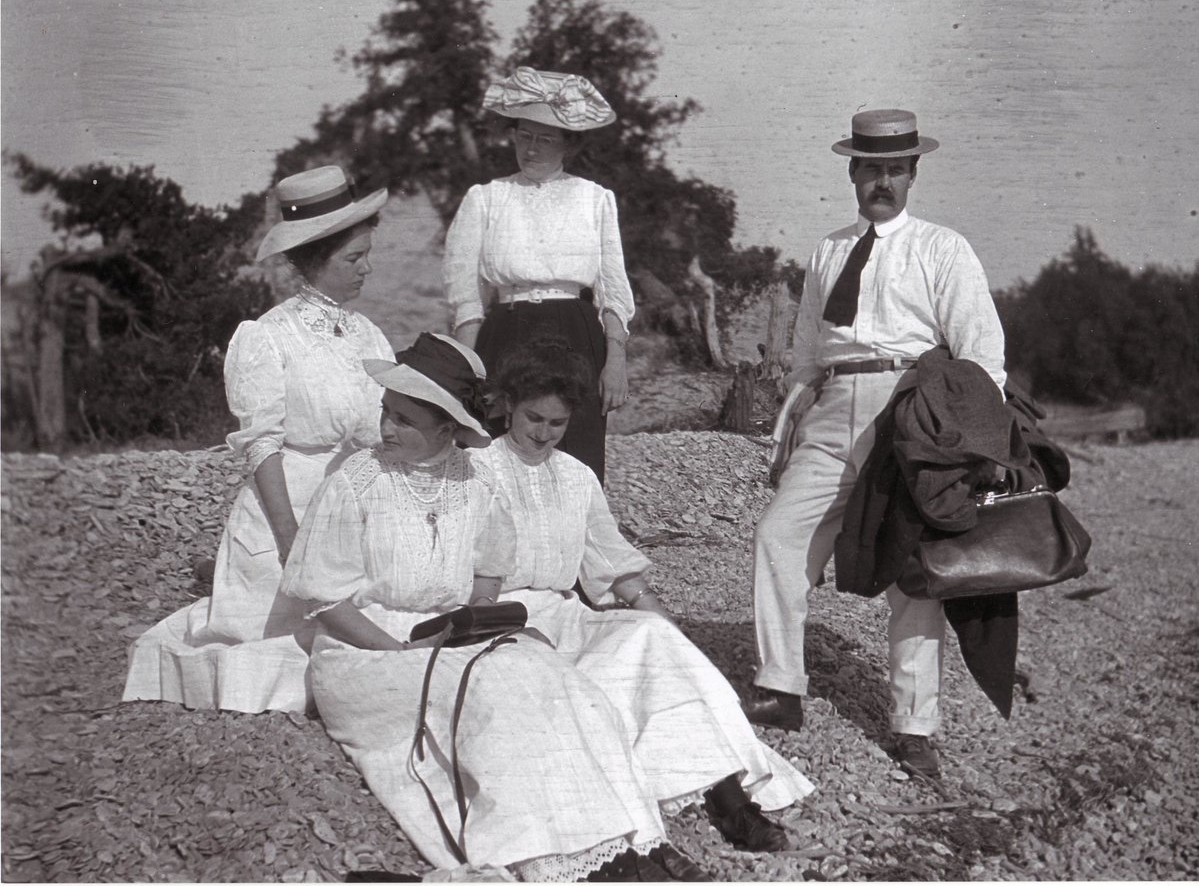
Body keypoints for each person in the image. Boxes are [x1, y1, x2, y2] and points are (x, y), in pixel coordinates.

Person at [280, 334, 707, 882]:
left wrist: (478, 617)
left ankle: (633, 840)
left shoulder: (475, 481)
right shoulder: (355, 484)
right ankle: (544, 853)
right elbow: (324, 602)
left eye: (404, 420)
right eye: (387, 413)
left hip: (452, 634)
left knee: (563, 682)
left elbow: (488, 571)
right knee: (499, 696)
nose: (386, 429)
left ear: (447, 429)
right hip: (368, 649)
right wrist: (403, 650)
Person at [475, 336, 814, 853]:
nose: (543, 434)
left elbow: (613, 568)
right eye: (533, 419)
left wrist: (670, 630)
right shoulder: (479, 471)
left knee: (657, 641)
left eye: (557, 423)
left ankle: (732, 802)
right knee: (610, 679)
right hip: (501, 621)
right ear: (507, 408)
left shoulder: (576, 476)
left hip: (565, 613)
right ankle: (672, 817)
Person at [748, 110, 1007, 779]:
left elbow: (981, 350)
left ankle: (913, 728)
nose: (881, 181)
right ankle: (780, 686)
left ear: (912, 174)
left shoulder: (942, 248)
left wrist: (976, 440)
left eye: (894, 169)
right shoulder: (829, 250)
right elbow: (806, 351)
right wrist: (788, 425)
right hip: (832, 410)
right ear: (853, 173)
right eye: (870, 168)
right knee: (778, 537)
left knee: (912, 572)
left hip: (909, 413)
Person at [123, 165, 393, 714]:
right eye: (353, 258)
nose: (368, 267)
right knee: (278, 650)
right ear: (314, 260)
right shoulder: (267, 337)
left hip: (357, 504)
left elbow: (386, 431)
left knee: (380, 627)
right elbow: (260, 446)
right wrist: (291, 538)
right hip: (286, 509)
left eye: (366, 253)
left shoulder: (368, 334)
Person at [443, 66, 635, 484]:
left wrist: (616, 359)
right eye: (524, 135)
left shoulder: (594, 199)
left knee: (574, 459)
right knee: (493, 459)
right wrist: (465, 370)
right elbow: (466, 298)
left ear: (568, 144)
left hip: (577, 332)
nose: (531, 148)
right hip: (505, 331)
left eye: (546, 139)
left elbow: (612, 286)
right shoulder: (485, 198)